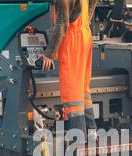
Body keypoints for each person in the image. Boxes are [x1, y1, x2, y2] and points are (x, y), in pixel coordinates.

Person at [40, 0, 98, 137]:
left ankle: (79, 138)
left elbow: (62, 24)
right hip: (84, 34)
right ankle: (91, 132)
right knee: (82, 89)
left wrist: (49, 53)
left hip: (72, 39)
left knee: (72, 93)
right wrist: (84, 23)